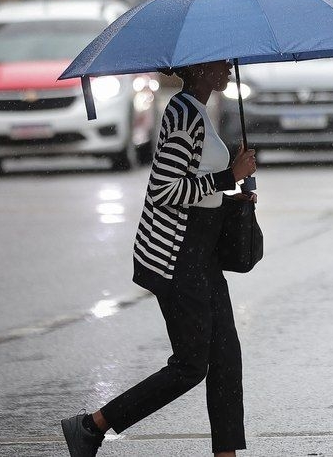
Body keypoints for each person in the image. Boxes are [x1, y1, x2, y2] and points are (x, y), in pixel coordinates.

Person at [61, 60, 257, 457]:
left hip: (201, 254)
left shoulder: (197, 109)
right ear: (199, 68)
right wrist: (228, 176)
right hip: (177, 256)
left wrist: (232, 195)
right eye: (220, 61)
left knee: (225, 357)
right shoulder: (184, 115)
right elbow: (164, 190)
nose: (228, 67)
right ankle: (91, 426)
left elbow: (195, 187)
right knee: (190, 366)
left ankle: (227, 454)